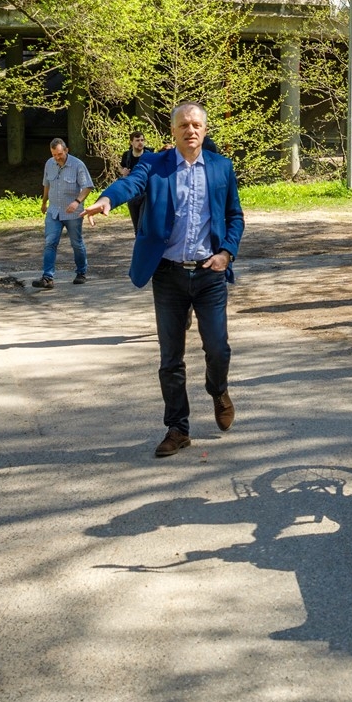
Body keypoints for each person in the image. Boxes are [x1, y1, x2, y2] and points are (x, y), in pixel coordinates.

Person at [81, 102, 245, 458]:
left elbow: (235, 216)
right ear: (173, 131)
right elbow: (131, 184)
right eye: (184, 125)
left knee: (218, 348)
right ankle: (178, 428)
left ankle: (218, 389)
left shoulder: (221, 167)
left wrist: (226, 252)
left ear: (205, 129)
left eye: (197, 124)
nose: (191, 130)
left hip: (209, 273)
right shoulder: (154, 165)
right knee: (171, 357)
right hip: (168, 275)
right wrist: (108, 200)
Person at [34, 138, 93, 289]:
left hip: (73, 213)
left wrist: (77, 202)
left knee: (76, 243)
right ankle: (47, 277)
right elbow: (47, 185)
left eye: (59, 154)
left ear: (66, 150)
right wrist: (44, 202)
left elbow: (87, 187)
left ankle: (81, 272)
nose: (57, 157)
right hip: (54, 211)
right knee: (50, 242)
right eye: (54, 154)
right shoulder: (49, 163)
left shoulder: (78, 165)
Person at [119, 131, 150, 233]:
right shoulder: (127, 155)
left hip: (146, 193)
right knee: (137, 227)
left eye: (142, 140)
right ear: (131, 142)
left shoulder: (149, 155)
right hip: (132, 193)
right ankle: (139, 246)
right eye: (137, 140)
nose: (140, 143)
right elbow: (121, 167)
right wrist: (123, 172)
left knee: (144, 225)